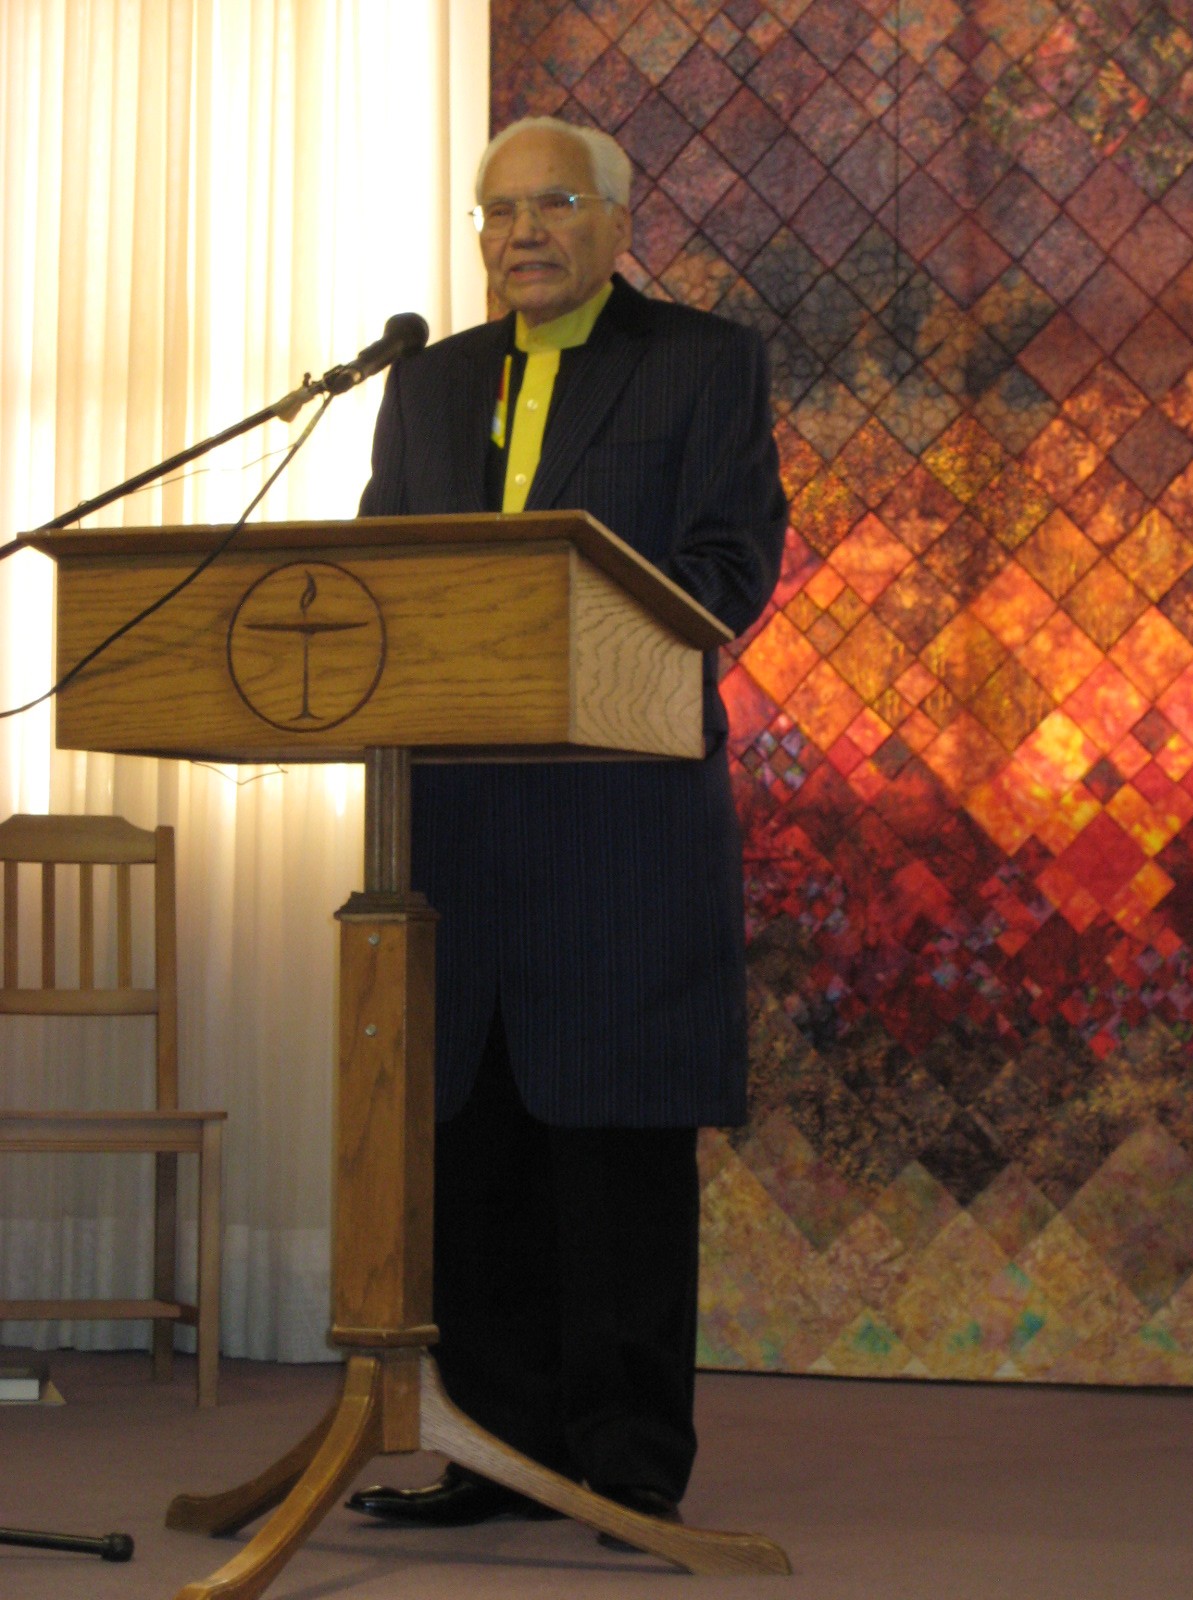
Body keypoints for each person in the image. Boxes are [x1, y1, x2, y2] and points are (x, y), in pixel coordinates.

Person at [347, 116, 786, 1531]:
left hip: (620, 828)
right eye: (498, 212)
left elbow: (728, 567)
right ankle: (495, 1454)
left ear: (615, 220)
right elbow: (373, 584)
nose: (521, 233)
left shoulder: (702, 363)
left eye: (553, 205)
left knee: (617, 1158)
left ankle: (630, 1464)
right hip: (457, 834)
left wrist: (564, 616)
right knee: (474, 1157)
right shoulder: (426, 388)